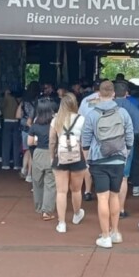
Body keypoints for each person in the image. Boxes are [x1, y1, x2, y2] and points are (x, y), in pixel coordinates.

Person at [81, 80, 134, 249]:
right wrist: (126, 152)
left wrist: (87, 159)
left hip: (98, 159)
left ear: (98, 94)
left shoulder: (92, 114)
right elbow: (130, 136)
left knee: (102, 197)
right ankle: (115, 232)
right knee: (114, 195)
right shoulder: (123, 113)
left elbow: (85, 140)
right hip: (118, 159)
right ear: (113, 94)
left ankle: (105, 236)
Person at [50, 94, 86, 233]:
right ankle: (77, 214)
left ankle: (62, 223)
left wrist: (51, 157)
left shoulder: (56, 120)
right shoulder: (81, 119)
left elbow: (52, 140)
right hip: (78, 156)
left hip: (61, 156)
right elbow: (85, 140)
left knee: (61, 191)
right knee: (76, 190)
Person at [114, 81, 139, 219]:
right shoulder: (133, 108)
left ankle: (107, 208)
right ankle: (120, 209)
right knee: (123, 178)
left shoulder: (102, 107)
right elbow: (137, 130)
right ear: (126, 94)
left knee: (107, 177)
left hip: (104, 147)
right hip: (125, 146)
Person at [27, 98, 57, 221]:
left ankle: (39, 207)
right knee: (50, 184)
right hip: (51, 153)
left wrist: (37, 140)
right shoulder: (54, 125)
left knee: (37, 182)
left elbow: (29, 142)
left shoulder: (35, 126)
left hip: (38, 153)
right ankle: (47, 211)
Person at [0, 89, 22, 170]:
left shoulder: (6, 98)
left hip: (7, 121)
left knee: (6, 143)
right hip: (16, 121)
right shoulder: (20, 99)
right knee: (16, 143)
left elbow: (1, 107)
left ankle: (5, 163)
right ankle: (17, 164)